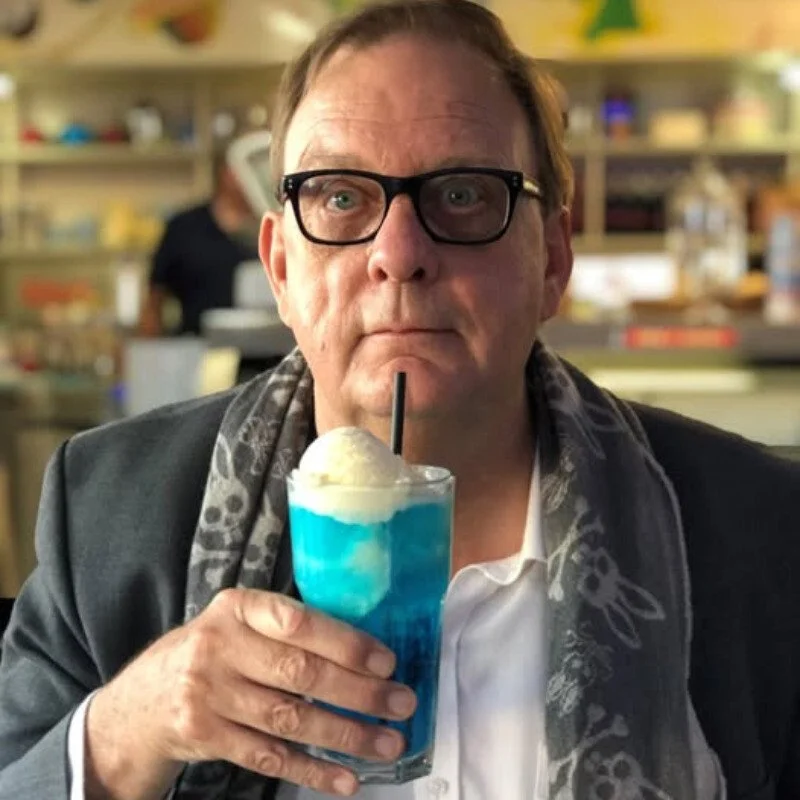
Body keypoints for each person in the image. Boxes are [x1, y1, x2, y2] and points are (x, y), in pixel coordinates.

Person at [0, 1, 799, 798]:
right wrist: (123, 730)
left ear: (553, 259)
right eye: (341, 198)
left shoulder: (761, 532)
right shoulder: (108, 511)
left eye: (462, 195)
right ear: (281, 268)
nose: (399, 254)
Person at [138, 152, 260, 337]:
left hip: (270, 350)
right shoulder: (184, 228)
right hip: (198, 352)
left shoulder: (280, 226)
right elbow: (154, 299)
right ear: (224, 172)